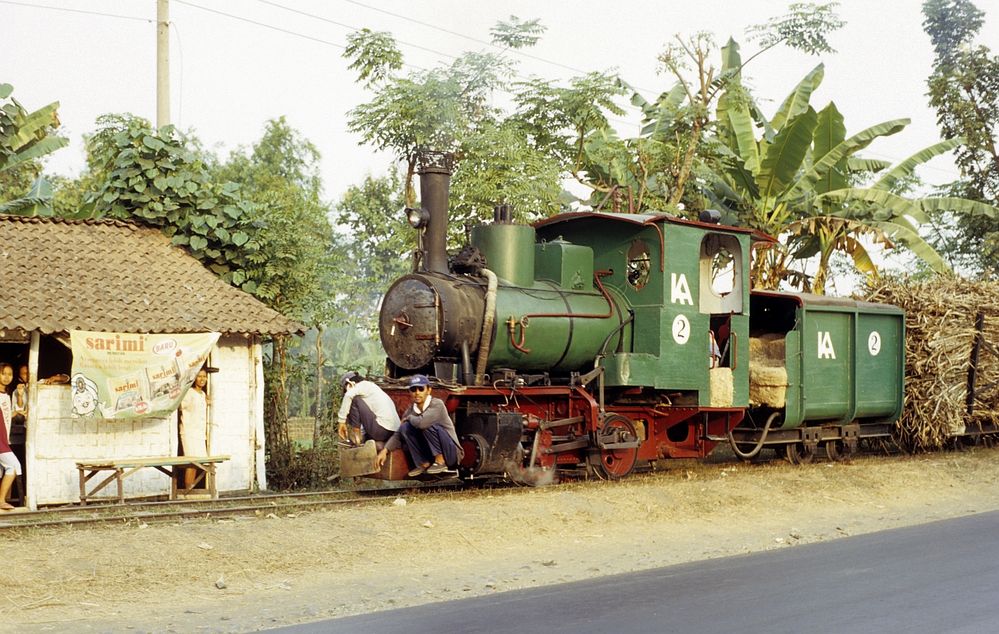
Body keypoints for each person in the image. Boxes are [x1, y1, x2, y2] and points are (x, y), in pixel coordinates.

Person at [380, 375, 463, 477]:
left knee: (426, 424)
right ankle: (423, 463)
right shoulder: (410, 410)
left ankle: (440, 461)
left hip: (450, 453)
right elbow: (398, 434)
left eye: (421, 389)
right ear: (410, 392)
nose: (417, 392)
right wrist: (385, 450)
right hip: (430, 451)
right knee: (405, 427)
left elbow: (422, 423)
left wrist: (409, 418)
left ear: (428, 390)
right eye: (413, 389)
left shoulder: (437, 404)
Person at [337, 371, 401, 448]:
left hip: (382, 430)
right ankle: (365, 440)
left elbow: (348, 395)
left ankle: (357, 440)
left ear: (350, 383)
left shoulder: (361, 386)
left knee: (354, 399)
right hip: (393, 432)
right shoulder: (370, 387)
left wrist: (341, 422)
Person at [179, 367, 210, 489]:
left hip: (199, 432)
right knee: (191, 462)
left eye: (204, 376)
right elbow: (180, 407)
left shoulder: (203, 394)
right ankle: (187, 491)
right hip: (189, 432)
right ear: (194, 378)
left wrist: (207, 401)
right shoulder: (189, 392)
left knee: (199, 462)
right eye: (199, 376)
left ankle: (191, 488)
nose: (202, 379)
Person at [0, 365, 19, 510]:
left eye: (10, 374)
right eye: (3, 374)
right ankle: (1, 501)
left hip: (4, 440)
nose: (7, 377)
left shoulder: (6, 395)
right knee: (13, 466)